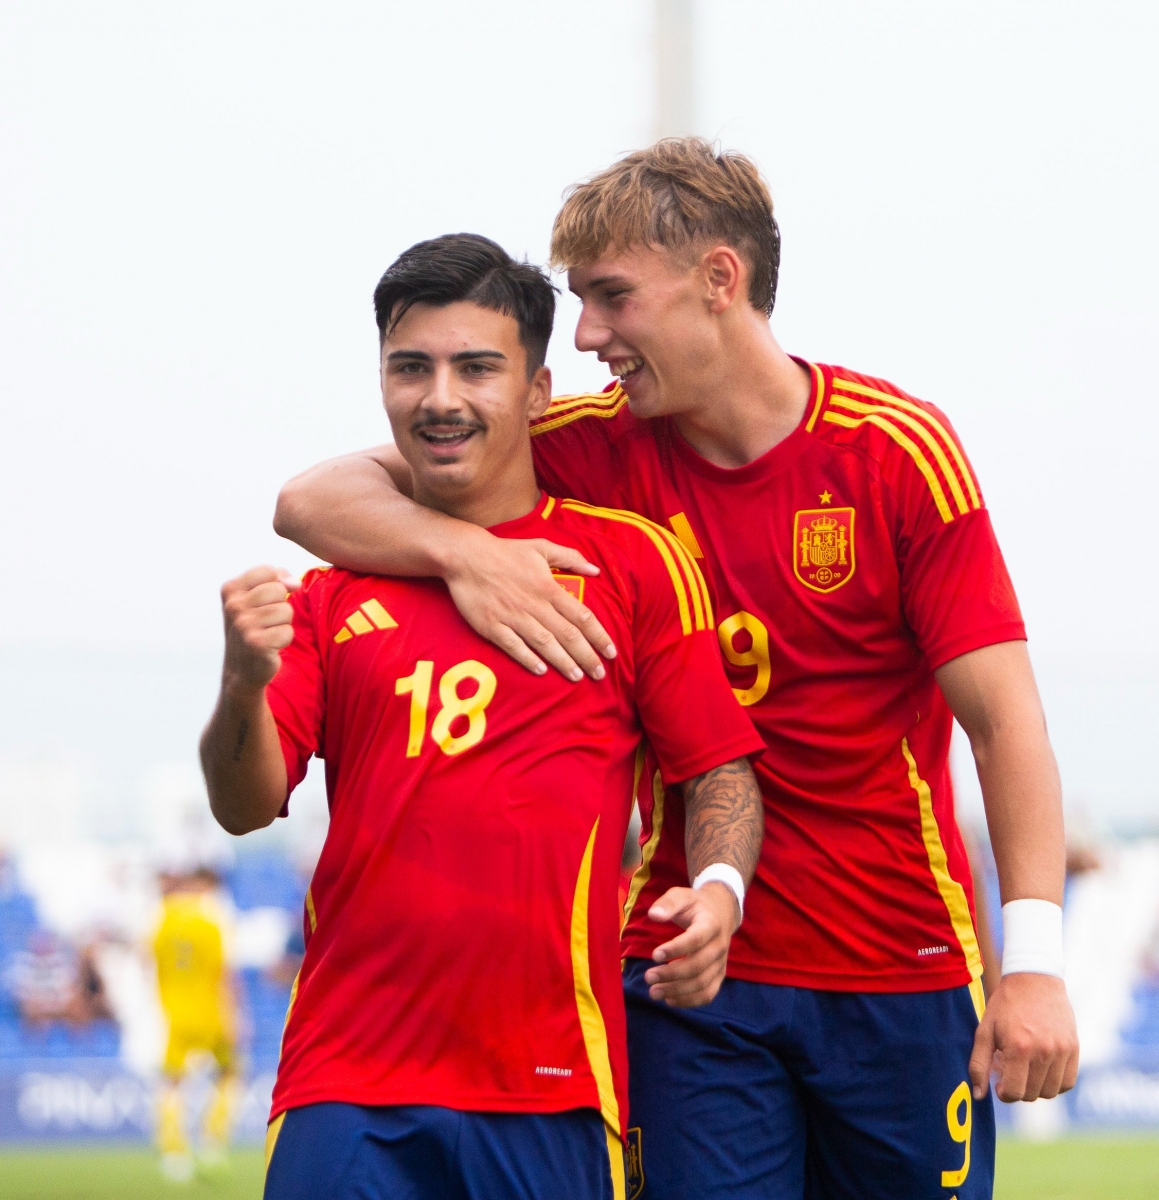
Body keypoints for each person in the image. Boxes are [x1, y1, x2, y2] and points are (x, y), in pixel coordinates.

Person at [274, 139, 1080, 1199]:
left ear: (718, 280)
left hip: (899, 967)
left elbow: (1006, 721)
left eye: (611, 298)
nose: (591, 333)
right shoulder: (583, 443)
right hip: (686, 977)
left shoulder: (894, 452)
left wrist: (1035, 959)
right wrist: (463, 550)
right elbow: (309, 502)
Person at [200, 233, 765, 1200]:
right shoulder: (334, 592)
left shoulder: (627, 567)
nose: (441, 397)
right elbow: (245, 805)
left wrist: (719, 890)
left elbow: (716, 768)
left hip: (553, 1083)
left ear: (539, 392)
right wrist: (242, 680)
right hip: (346, 1082)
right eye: (410, 367)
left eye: (477, 367)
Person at [152, 865, 240, 1182]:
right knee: (230, 1074)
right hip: (212, 1014)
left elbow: (147, 959)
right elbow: (225, 974)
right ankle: (213, 1140)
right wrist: (236, 1017)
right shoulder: (212, 922)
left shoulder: (163, 921)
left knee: (172, 1083)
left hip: (175, 1014)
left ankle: (174, 1153)